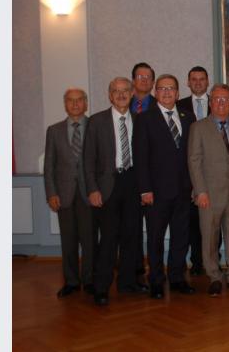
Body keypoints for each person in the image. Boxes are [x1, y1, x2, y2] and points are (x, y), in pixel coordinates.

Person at [84, 77, 146, 306]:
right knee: (108, 239)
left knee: (131, 236)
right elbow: (88, 160)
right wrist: (92, 189)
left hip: (132, 183)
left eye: (125, 91)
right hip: (107, 186)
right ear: (110, 95)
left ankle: (127, 282)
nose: (121, 95)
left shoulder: (140, 120)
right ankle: (101, 287)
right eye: (116, 91)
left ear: (132, 94)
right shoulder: (97, 121)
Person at [133, 74, 196, 299]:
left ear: (178, 93)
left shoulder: (188, 117)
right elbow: (140, 158)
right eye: (162, 89)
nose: (167, 92)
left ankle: (177, 277)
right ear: (155, 93)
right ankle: (156, 281)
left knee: (181, 237)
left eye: (171, 89)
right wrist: (145, 189)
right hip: (156, 192)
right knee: (156, 238)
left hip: (184, 190)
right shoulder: (144, 119)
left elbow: (192, 155)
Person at [188, 84, 229, 296]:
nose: (221, 103)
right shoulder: (198, 128)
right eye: (216, 99)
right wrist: (200, 191)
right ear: (210, 102)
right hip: (209, 195)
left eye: (225, 100)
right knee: (210, 237)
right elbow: (194, 161)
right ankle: (214, 277)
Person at [43, 88, 94, 298]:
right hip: (64, 195)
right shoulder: (54, 130)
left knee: (90, 240)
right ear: (65, 104)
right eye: (71, 101)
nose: (75, 104)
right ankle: (71, 281)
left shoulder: (95, 126)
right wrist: (51, 193)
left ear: (86, 103)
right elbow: (49, 166)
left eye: (79, 100)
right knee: (69, 240)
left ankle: (90, 280)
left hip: (89, 193)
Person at [177, 66, 211, 276]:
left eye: (202, 79)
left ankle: (210, 261)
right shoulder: (179, 106)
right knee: (190, 221)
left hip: (214, 171)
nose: (198, 83)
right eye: (194, 80)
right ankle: (196, 262)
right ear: (188, 83)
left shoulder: (219, 103)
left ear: (207, 82)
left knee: (211, 222)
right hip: (188, 172)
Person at [129, 61, 155, 282]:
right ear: (133, 81)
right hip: (127, 177)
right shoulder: (122, 105)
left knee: (153, 227)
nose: (144, 80)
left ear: (153, 82)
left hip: (153, 180)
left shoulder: (161, 107)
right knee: (130, 226)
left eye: (148, 77)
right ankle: (134, 267)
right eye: (140, 76)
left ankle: (153, 269)